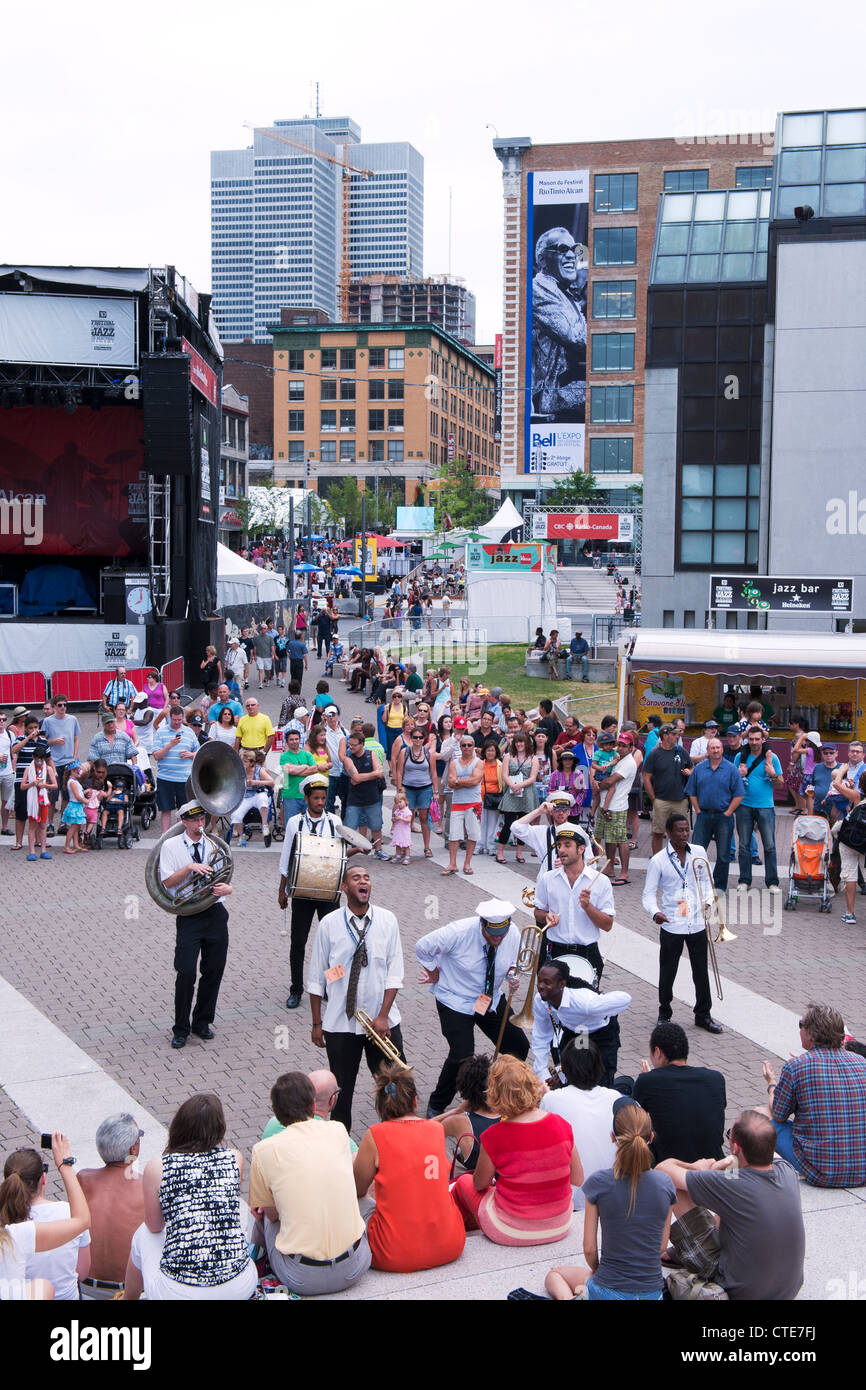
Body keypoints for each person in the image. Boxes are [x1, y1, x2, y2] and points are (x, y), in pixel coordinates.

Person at [656, 1108, 805, 1301]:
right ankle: (683, 1251)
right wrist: (728, 1163)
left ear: (735, 1147)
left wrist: (699, 1168)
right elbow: (759, 1147)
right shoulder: (787, 1172)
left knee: (677, 1188)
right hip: (787, 1291)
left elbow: (663, 1170)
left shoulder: (731, 1184)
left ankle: (682, 1251)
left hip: (736, 1291)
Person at [124, 1093, 256, 1300]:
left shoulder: (158, 1166)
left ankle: (127, 1298)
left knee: (143, 1234)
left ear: (179, 1126)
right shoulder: (235, 1158)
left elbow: (154, 1225)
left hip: (180, 1293)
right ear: (220, 1128)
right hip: (240, 1285)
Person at [249, 1072, 370, 1295]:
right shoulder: (338, 1131)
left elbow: (272, 1215)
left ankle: (255, 1261)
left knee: (263, 1213)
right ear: (313, 1104)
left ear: (275, 1112)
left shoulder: (263, 1151)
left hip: (300, 1278)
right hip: (356, 1266)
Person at [545, 1101, 675, 1301]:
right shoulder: (665, 1183)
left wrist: (599, 1272)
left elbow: (589, 1248)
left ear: (613, 1138)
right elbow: (661, 1247)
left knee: (555, 1274)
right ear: (651, 1137)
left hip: (607, 1290)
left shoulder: (599, 1182)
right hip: (652, 1293)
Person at [417, 899, 529, 1116]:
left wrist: (513, 973)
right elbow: (422, 946)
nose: (498, 939)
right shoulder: (458, 932)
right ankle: (437, 1103)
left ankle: (500, 1091)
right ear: (482, 924)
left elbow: (515, 958)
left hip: (489, 998)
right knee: (462, 1054)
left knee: (518, 1045)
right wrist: (433, 971)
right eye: (492, 934)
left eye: (501, 934)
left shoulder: (512, 932)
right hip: (456, 998)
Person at [451, 1055, 579, 1246]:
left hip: (511, 1229)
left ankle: (456, 1231)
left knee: (463, 1182)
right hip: (561, 1224)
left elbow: (480, 1184)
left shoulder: (493, 1135)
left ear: (494, 1095)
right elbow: (577, 1178)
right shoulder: (562, 1124)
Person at [353, 1064, 465, 1272]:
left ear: (381, 1107)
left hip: (393, 1255)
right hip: (451, 1244)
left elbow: (358, 1190)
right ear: (415, 1102)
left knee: (360, 1194)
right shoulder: (436, 1129)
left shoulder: (375, 1134)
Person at [763, 1002, 866, 1187]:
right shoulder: (862, 1063)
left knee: (761, 1121)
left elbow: (778, 1114)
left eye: (800, 1025)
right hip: (862, 1170)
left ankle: (754, 1183)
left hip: (821, 1172)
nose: (799, 1030)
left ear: (810, 1033)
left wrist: (772, 1084)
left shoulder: (796, 1066)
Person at [160, 800, 233, 1049]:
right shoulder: (170, 846)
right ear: (184, 822)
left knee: (213, 971)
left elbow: (226, 876)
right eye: (194, 821)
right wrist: (189, 867)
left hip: (215, 912)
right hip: (189, 915)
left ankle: (202, 1022)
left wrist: (229, 888)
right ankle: (181, 1028)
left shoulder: (214, 844)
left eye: (202, 820)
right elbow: (167, 882)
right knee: (186, 972)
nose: (200, 825)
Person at [642, 812, 723, 1034]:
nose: (685, 834)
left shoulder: (698, 852)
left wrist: (708, 901)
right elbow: (648, 895)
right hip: (672, 923)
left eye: (687, 830)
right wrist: (655, 912)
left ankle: (703, 1015)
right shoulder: (658, 860)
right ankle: (664, 1013)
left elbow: (708, 882)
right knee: (668, 971)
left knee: (700, 971)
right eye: (680, 830)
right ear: (668, 833)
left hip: (696, 922)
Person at [278, 773, 352, 1010]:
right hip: (302, 892)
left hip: (329, 891)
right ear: (307, 798)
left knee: (335, 943)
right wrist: (282, 890)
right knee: (297, 942)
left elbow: (340, 856)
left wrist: (358, 850)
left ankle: (330, 986)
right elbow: (286, 857)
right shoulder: (294, 823)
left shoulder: (335, 821)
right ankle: (296, 989)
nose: (321, 802)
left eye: (323, 798)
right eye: (316, 798)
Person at [1, 1133, 90, 1301]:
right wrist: (65, 1164)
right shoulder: (18, 1233)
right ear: (43, 1178)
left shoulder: (9, 1227)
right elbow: (83, 1271)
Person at [540, 1039, 620, 1210]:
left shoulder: (551, 1099)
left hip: (572, 1200)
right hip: (613, 1196)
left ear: (566, 1069)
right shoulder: (615, 1097)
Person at [632, 1022, 726, 1162]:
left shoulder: (648, 1081)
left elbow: (633, 1121)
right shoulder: (716, 1078)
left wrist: (649, 1079)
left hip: (671, 1168)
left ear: (657, 1052)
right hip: (713, 1166)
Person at [76, 1114, 145, 1300]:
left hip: (85, 1286)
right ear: (134, 1147)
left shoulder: (83, 1179)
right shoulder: (146, 1187)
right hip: (127, 1292)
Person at [533, 959, 631, 1090]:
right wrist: (541, 1072)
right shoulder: (540, 1000)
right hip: (574, 1032)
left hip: (600, 1035)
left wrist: (602, 1005)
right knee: (570, 1077)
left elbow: (625, 998)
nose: (540, 986)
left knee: (600, 1082)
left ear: (562, 984)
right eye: (539, 981)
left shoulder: (585, 1002)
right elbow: (541, 1035)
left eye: (547, 982)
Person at [534, 824, 615, 981]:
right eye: (559, 845)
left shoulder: (601, 881)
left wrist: (588, 907)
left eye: (567, 845)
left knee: (586, 1004)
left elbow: (607, 925)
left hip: (588, 953)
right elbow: (538, 911)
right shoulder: (547, 879)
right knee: (553, 1004)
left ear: (581, 849)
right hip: (555, 951)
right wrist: (546, 917)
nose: (561, 850)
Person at [531, 227, 587, 421]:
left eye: (574, 249)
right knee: (607, 394)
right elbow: (578, 337)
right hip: (552, 395)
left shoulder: (563, 291)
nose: (572, 255)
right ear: (542, 260)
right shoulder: (538, 289)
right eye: (562, 249)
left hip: (567, 387)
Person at [688, 736, 745, 892]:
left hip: (723, 817)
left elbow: (739, 794)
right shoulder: (699, 769)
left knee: (723, 854)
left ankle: (719, 886)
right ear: (707, 751)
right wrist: (698, 810)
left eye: (718, 747)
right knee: (696, 852)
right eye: (712, 748)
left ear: (722, 749)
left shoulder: (731, 769)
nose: (715, 750)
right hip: (703, 815)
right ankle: (697, 884)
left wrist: (729, 812)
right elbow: (691, 792)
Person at [433, 1055, 500, 1174]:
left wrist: (455, 1111)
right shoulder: (508, 1112)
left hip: (476, 1185)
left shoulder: (459, 1121)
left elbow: (422, 1129)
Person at [735, 726, 783, 892]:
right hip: (744, 805)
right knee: (743, 845)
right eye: (751, 739)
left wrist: (773, 774)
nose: (754, 742)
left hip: (765, 806)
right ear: (747, 739)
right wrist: (739, 775)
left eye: (757, 739)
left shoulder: (773, 758)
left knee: (769, 845)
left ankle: (772, 882)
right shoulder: (740, 757)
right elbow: (732, 783)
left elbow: (780, 784)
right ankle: (745, 880)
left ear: (763, 739)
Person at [643, 723, 693, 856]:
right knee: (658, 833)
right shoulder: (654, 755)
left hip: (681, 800)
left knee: (682, 833)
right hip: (661, 800)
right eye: (674, 734)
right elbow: (646, 777)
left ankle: (681, 857)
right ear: (665, 736)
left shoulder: (681, 751)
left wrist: (689, 771)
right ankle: (657, 860)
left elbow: (692, 767)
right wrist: (653, 798)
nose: (678, 736)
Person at [595, 732, 639, 884]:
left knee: (621, 840)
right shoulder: (618, 758)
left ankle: (625, 873)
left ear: (631, 747)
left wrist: (596, 786)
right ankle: (609, 868)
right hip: (606, 804)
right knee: (610, 838)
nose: (620, 748)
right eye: (619, 745)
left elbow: (610, 782)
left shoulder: (629, 763)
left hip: (618, 806)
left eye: (624, 746)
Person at [341, 729, 389, 858]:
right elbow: (356, 778)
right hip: (354, 799)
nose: (351, 747)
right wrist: (373, 775)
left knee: (376, 825)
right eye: (349, 745)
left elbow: (380, 772)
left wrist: (361, 777)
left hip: (372, 797)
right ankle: (345, 852)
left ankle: (378, 850)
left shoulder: (370, 754)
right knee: (349, 828)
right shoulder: (348, 759)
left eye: (354, 745)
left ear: (362, 744)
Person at [152, 706, 200, 834]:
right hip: (165, 777)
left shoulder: (189, 732)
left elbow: (199, 753)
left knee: (183, 809)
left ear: (183, 718)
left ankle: (181, 836)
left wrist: (190, 755)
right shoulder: (161, 732)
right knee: (166, 809)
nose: (177, 722)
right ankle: (164, 836)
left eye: (179, 720)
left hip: (184, 778)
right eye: (174, 720)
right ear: (169, 718)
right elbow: (156, 755)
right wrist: (169, 745)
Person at [395, 721, 438, 859]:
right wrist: (399, 790)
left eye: (420, 737)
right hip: (408, 789)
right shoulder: (405, 752)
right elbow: (399, 772)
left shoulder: (428, 753)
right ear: (411, 738)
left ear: (424, 739)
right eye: (415, 737)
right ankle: (403, 846)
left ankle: (427, 847)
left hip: (425, 789)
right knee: (408, 818)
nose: (418, 740)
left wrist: (436, 791)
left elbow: (434, 773)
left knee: (425, 818)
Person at [442, 732, 484, 876]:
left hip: (473, 802)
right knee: (454, 834)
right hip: (457, 802)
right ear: (460, 747)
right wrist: (465, 781)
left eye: (469, 745)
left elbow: (476, 781)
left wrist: (459, 781)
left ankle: (467, 863)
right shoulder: (454, 763)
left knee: (472, 834)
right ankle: (452, 863)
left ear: (473, 747)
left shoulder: (478, 762)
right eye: (463, 745)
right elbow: (450, 782)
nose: (466, 747)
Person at [496, 731, 539, 865]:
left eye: (522, 741)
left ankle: (519, 852)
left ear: (527, 743)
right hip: (511, 792)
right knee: (508, 824)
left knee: (523, 825)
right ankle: (500, 852)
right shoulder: (508, 756)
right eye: (517, 741)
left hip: (527, 793)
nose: (519, 744)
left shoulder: (533, 758)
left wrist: (520, 785)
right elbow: (504, 775)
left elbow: (532, 778)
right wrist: (513, 786)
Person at [40, 695, 80, 836]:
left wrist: (75, 756)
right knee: (52, 795)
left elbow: (76, 738)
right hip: (54, 762)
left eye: (64, 705)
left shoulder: (72, 720)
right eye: (60, 705)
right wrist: (54, 741)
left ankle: (63, 823)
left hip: (69, 762)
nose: (62, 707)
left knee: (67, 795)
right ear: (55, 707)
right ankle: (50, 823)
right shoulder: (48, 721)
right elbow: (43, 741)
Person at [21, 739, 57, 860]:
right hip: (32, 801)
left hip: (43, 800)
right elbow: (22, 786)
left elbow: (55, 785)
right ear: (33, 757)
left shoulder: (48, 769)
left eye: (41, 759)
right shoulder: (28, 769)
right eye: (37, 759)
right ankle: (31, 851)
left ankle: (43, 850)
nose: (39, 761)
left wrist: (45, 785)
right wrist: (32, 783)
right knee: (32, 826)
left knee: (42, 825)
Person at [228, 751, 274, 845]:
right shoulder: (238, 771)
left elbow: (271, 782)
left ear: (252, 762)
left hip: (258, 793)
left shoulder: (259, 770)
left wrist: (255, 782)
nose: (242, 763)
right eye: (241, 761)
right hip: (245, 796)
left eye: (245, 761)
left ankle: (264, 825)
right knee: (236, 814)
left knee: (263, 800)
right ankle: (242, 835)